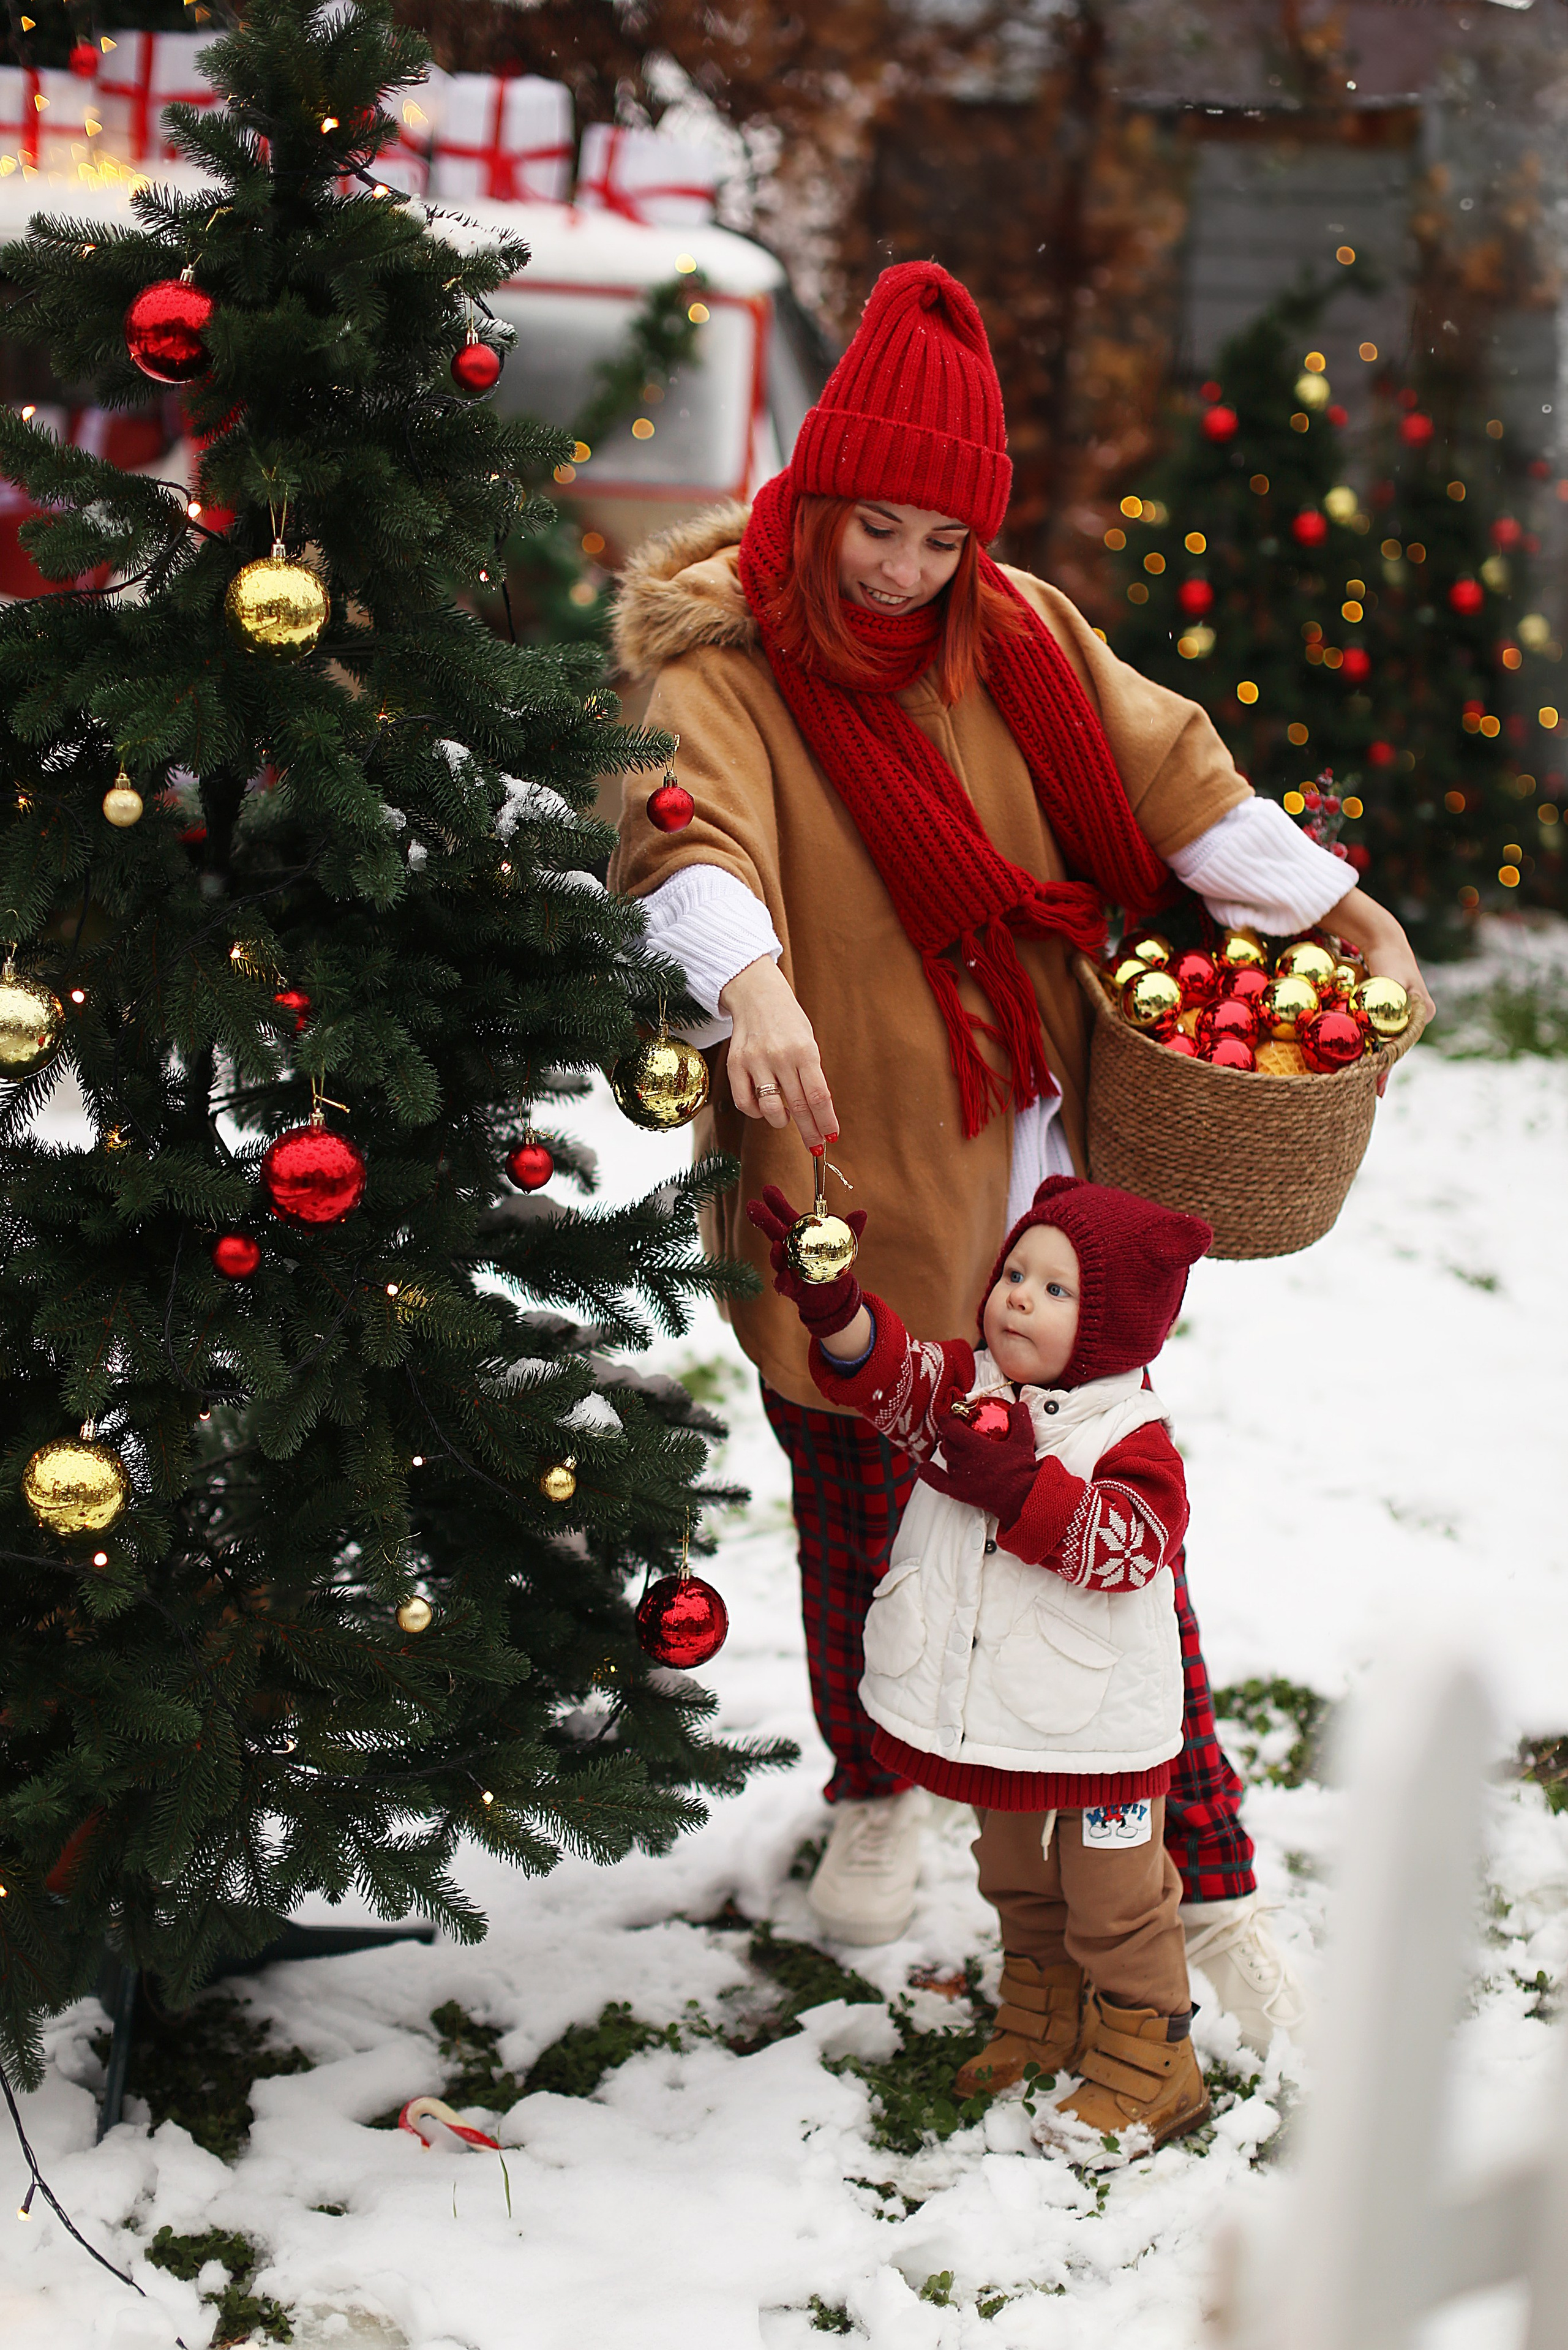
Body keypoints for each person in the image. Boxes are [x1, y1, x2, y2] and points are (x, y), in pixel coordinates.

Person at [609, 258, 1433, 2052]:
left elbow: (1175, 778)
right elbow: (679, 837)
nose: (905, 571)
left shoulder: (1024, 630)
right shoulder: (720, 664)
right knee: (864, 1516)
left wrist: (1343, 909)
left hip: (1044, 1168)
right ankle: (877, 1784)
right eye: (876, 528)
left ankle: (1206, 1879)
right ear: (818, 493)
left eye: (941, 538)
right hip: (848, 1162)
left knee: (1109, 1534)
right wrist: (750, 983)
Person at [747, 1171, 1217, 2147]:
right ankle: (1041, 2018)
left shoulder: (1131, 1436)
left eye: (1056, 1289)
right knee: (1015, 1876)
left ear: (1114, 1325)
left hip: (1099, 1733)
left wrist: (1018, 1487)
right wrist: (834, 1307)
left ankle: (1152, 2065)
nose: (1019, 1298)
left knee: (1115, 1905)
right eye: (1014, 1273)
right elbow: (888, 1376)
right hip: (1003, 1720)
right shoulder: (967, 1392)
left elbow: (1128, 1545)